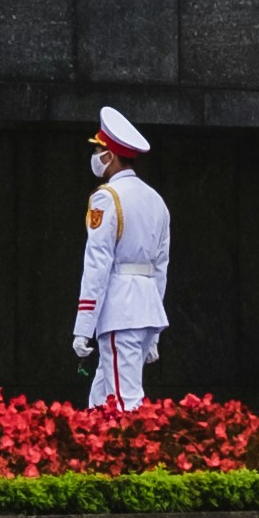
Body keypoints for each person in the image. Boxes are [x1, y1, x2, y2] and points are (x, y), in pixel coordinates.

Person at [73, 105, 170, 410]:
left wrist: (83, 325)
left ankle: (139, 458)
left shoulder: (107, 197)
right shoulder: (156, 200)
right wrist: (153, 334)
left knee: (125, 404)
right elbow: (160, 268)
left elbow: (97, 263)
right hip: (145, 309)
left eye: (99, 149)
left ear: (110, 156)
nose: (96, 156)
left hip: (120, 310)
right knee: (99, 401)